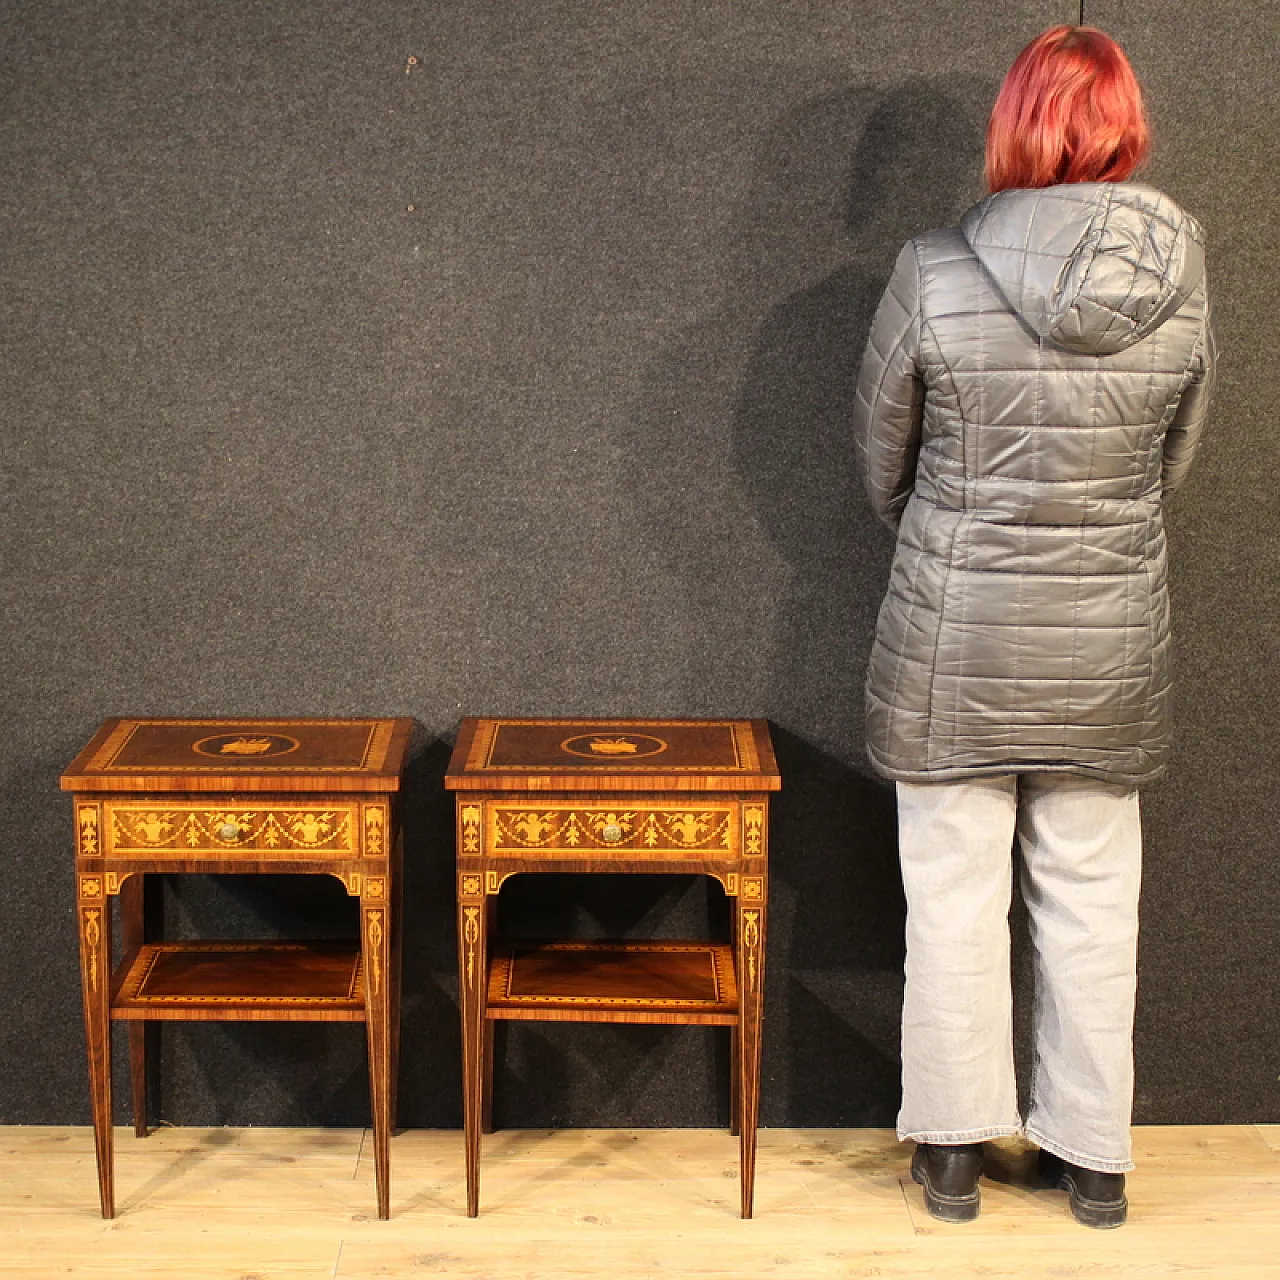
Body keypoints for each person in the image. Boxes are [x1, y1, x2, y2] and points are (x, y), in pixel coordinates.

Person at [852, 25, 1214, 1229]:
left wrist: (955, 529)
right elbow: (1172, 463)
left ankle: (952, 1156)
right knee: (1093, 895)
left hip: (951, 633)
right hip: (1107, 636)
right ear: (1124, 122)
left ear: (1012, 121)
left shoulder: (932, 266)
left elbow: (880, 461)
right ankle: (1095, 1162)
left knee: (950, 892)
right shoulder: (1180, 269)